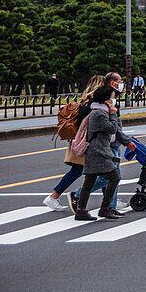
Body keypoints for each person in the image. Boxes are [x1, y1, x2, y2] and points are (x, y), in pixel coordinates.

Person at [74, 85, 136, 221]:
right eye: (112, 97)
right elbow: (112, 129)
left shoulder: (99, 111)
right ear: (106, 99)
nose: (113, 100)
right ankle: (104, 208)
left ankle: (81, 210)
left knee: (89, 181)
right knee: (114, 177)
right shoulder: (99, 113)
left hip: (96, 150)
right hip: (98, 151)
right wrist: (113, 114)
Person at [43, 77, 103, 212]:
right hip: (84, 142)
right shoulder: (92, 102)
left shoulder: (85, 100)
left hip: (79, 140)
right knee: (97, 170)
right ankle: (54, 197)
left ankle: (111, 201)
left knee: (96, 171)